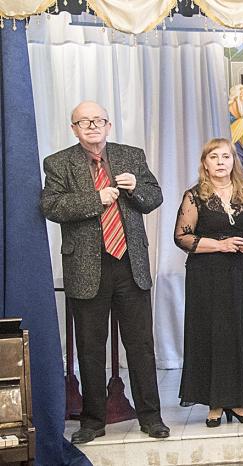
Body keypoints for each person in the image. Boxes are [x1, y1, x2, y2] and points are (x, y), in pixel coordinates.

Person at [41, 101, 169, 444]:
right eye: (84, 122)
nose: (93, 126)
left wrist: (135, 188)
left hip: (130, 264)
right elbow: (51, 206)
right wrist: (95, 199)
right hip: (87, 267)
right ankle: (93, 421)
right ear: (74, 129)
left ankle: (151, 417)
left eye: (98, 120)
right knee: (90, 347)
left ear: (109, 125)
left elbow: (154, 197)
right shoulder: (58, 162)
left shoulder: (131, 155)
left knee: (141, 345)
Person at [174, 138, 243, 426]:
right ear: (205, 163)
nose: (221, 162)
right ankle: (214, 403)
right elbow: (182, 237)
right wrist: (220, 245)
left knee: (238, 334)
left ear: (233, 161)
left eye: (226, 156)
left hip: (239, 274)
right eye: (214, 157)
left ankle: (238, 401)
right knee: (210, 335)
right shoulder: (194, 196)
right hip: (206, 276)